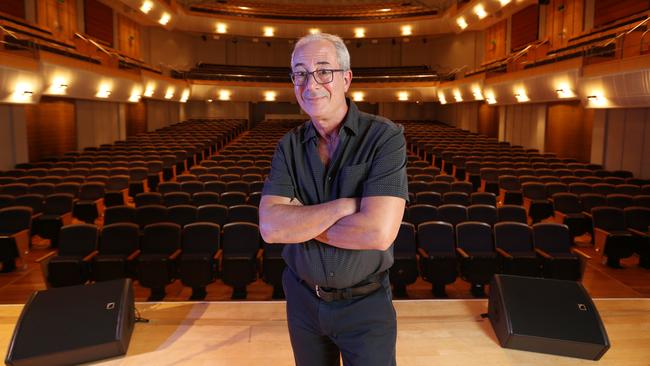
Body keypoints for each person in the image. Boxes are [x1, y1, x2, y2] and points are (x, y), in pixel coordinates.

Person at [259, 33, 408, 366]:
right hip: (302, 301)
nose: (310, 84)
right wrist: (346, 206)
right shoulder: (289, 146)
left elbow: (377, 233)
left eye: (323, 70)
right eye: (300, 73)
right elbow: (271, 228)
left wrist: (299, 221)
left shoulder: (384, 137)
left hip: (365, 305)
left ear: (346, 78)